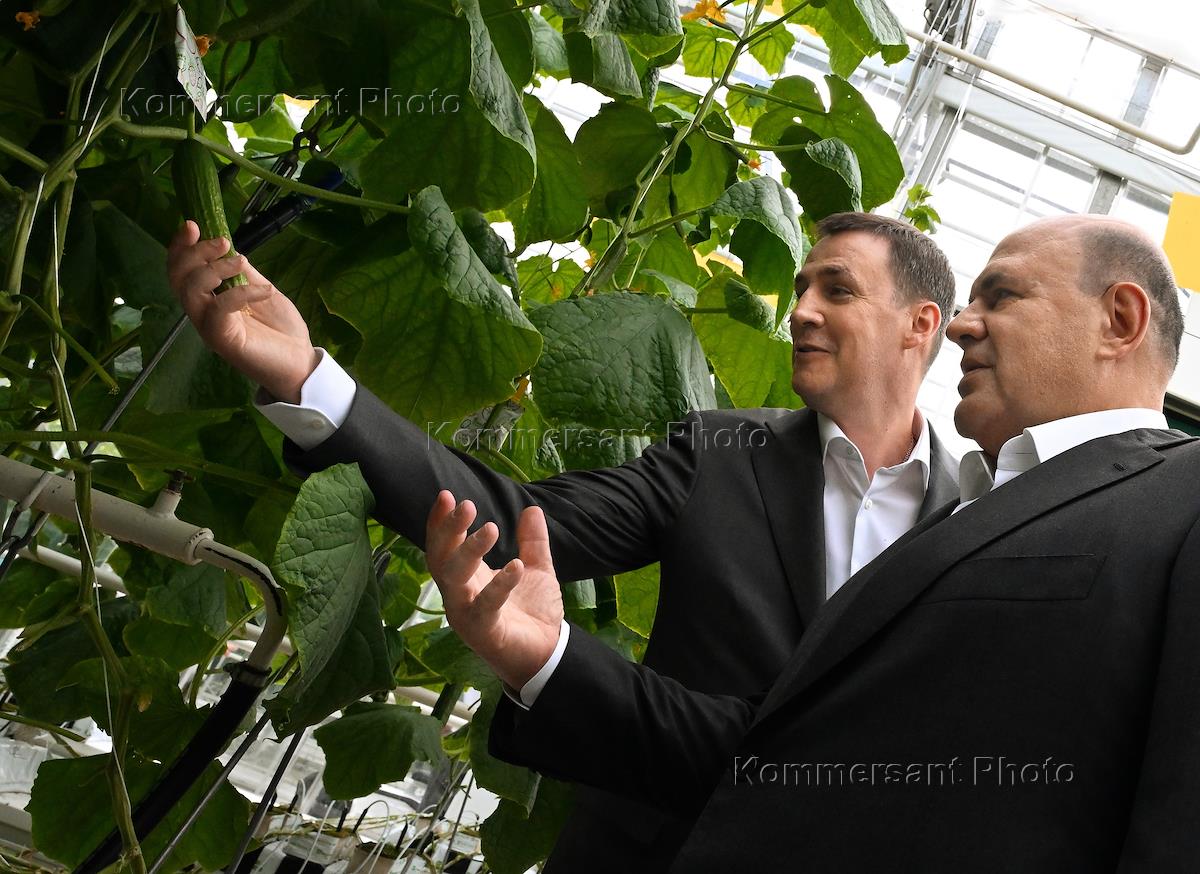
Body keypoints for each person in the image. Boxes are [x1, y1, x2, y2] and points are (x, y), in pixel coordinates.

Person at [166, 212, 959, 869]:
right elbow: (512, 522)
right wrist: (307, 377)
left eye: (837, 289)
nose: (802, 309)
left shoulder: (976, 520)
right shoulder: (722, 454)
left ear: (919, 325)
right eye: (803, 286)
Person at [424, 214, 1200, 873]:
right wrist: (548, 658)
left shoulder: (1175, 497)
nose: (966, 323)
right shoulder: (975, 506)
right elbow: (789, 751)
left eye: (1003, 297)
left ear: (1120, 320)